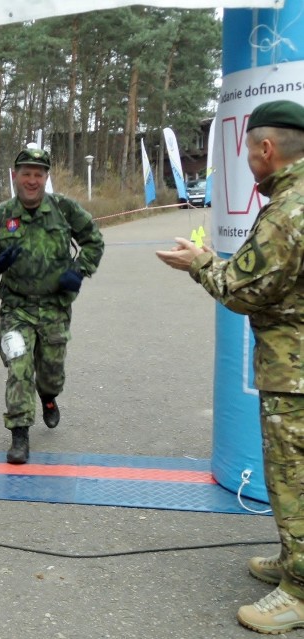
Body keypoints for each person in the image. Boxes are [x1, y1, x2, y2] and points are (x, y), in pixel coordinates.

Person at [155, 99, 304, 635]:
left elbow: (243, 289)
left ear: (267, 149)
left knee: (293, 478)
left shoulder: (288, 213)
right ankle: (294, 562)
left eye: (246, 148)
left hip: (295, 373)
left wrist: (197, 263)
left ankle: (301, 591)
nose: (245, 159)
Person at [0, 147, 104, 464]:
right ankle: (19, 435)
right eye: (26, 173)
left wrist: (79, 270)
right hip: (16, 308)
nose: (32, 180)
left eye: (38, 174)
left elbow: (93, 240)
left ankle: (49, 396)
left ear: (46, 177)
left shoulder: (64, 209)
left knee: (52, 371)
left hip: (56, 307)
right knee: (19, 368)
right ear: (15, 176)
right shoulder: (1, 216)